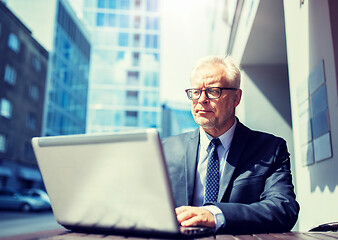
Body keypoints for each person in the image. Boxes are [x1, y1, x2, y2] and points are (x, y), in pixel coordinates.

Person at [162, 55, 299, 234]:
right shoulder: (166, 149)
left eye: (213, 91)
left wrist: (216, 215)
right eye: (195, 91)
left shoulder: (270, 149)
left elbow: (283, 209)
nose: (201, 99)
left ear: (236, 98)